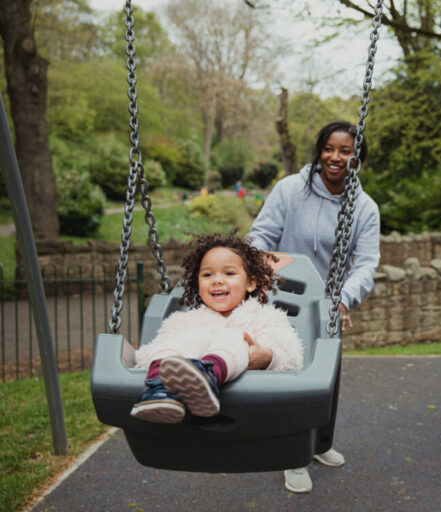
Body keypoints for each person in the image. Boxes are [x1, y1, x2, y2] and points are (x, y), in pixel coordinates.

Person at [247, 120, 380, 493]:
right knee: (294, 375)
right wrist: (259, 269)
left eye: (345, 151)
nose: (335, 157)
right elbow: (261, 234)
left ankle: (320, 444)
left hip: (328, 304)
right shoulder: (290, 190)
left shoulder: (365, 208)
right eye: (329, 149)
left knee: (328, 376)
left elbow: (366, 263)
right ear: (319, 151)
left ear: (357, 158)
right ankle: (293, 457)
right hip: (282, 296)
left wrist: (344, 298)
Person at [130, 230, 304, 424]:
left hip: (254, 407)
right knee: (192, 337)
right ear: (197, 283)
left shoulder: (265, 318)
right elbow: (154, 350)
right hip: (182, 402)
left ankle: (207, 376)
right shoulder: (185, 321)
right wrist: (133, 359)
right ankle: (158, 388)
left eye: (229, 273)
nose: (217, 280)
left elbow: (291, 355)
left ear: (250, 283)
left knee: (233, 337)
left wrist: (268, 357)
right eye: (207, 274)